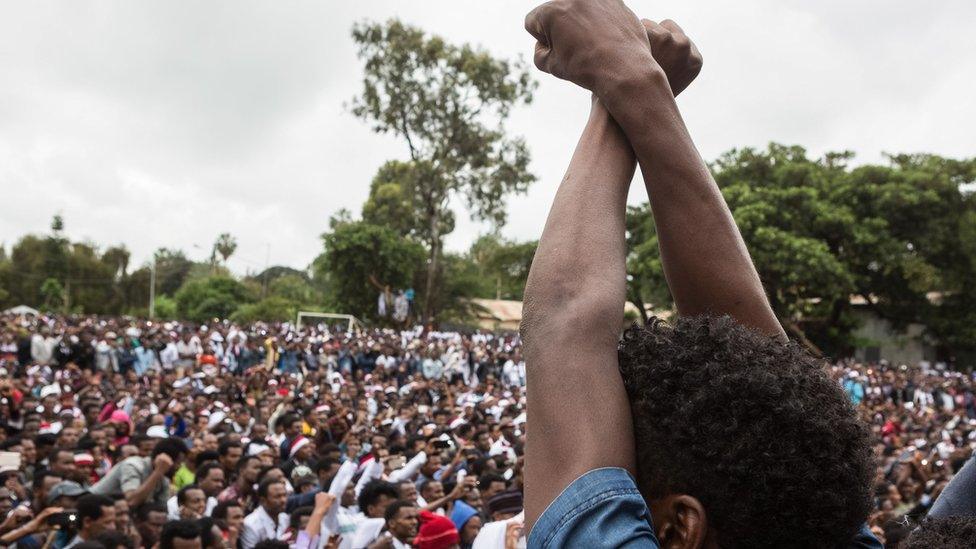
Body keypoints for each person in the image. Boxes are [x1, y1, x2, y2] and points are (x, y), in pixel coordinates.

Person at [519, 1, 880, 547]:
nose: (611, 467)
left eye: (628, 473)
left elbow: (565, 325)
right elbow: (768, 386)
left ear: (676, 527)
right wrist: (634, 84)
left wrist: (626, 80)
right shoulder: (813, 520)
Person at [90, 438, 184, 507]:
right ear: (166, 460)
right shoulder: (132, 465)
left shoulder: (163, 478)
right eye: (178, 463)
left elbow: (161, 509)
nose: (179, 467)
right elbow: (132, 501)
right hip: (93, 507)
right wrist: (157, 472)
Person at [240, 478, 289, 549]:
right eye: (277, 496)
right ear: (263, 500)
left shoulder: (285, 517)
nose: (283, 500)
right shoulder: (250, 524)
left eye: (284, 495)